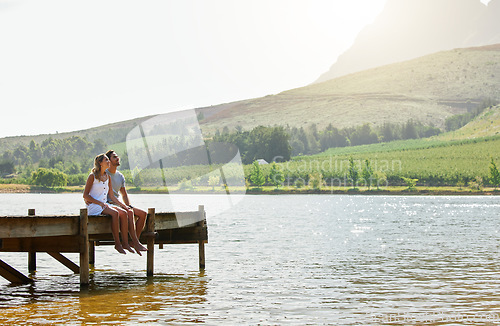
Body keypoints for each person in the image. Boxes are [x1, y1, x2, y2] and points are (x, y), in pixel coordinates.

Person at [83, 153, 147, 255]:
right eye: (106, 160)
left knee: (124, 212)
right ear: (100, 163)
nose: (108, 162)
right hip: (94, 206)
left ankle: (125, 243)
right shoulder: (92, 176)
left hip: (104, 205)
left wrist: (124, 206)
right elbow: (85, 195)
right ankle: (117, 244)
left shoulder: (107, 177)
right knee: (115, 213)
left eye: (109, 160)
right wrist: (99, 203)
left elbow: (112, 197)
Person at [105, 149, 148, 248]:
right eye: (114, 157)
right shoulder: (105, 174)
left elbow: (124, 194)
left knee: (143, 214)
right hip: (109, 204)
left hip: (118, 203)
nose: (117, 158)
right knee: (128, 213)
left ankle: (134, 241)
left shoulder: (120, 176)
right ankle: (126, 243)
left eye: (117, 156)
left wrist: (128, 205)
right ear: (109, 160)